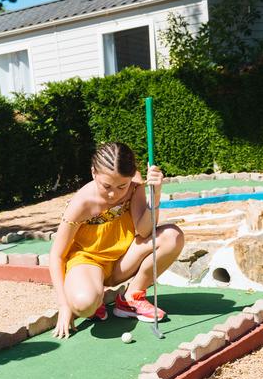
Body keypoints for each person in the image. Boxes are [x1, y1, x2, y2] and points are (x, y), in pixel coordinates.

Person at [50, 142, 185, 339]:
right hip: (88, 262)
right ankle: (94, 299)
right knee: (84, 304)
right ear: (93, 172)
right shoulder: (82, 203)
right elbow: (56, 255)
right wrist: (64, 305)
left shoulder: (135, 185)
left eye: (122, 186)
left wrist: (155, 196)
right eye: (106, 186)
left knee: (172, 237)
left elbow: (144, 231)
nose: (114, 194)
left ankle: (131, 298)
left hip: (122, 260)